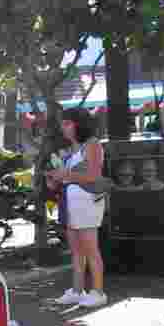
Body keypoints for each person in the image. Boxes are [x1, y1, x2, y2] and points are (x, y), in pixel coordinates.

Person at [46, 108, 108, 307]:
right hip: (71, 203)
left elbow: (93, 175)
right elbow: (69, 177)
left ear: (79, 123)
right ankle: (77, 290)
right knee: (76, 251)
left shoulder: (93, 144)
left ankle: (98, 292)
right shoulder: (73, 149)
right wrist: (54, 179)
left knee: (91, 249)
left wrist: (64, 175)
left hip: (88, 202)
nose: (64, 128)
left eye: (67, 123)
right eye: (63, 124)